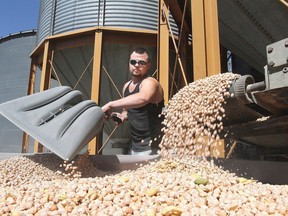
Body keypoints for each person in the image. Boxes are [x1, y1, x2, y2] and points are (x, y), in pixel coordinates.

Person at [101, 47, 164, 155]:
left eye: (141, 62)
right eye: (133, 62)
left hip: (153, 147)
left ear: (148, 65)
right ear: (129, 63)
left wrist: (111, 104)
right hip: (135, 147)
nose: (136, 65)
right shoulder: (126, 86)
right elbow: (127, 110)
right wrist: (122, 116)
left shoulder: (150, 82)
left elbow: (143, 98)